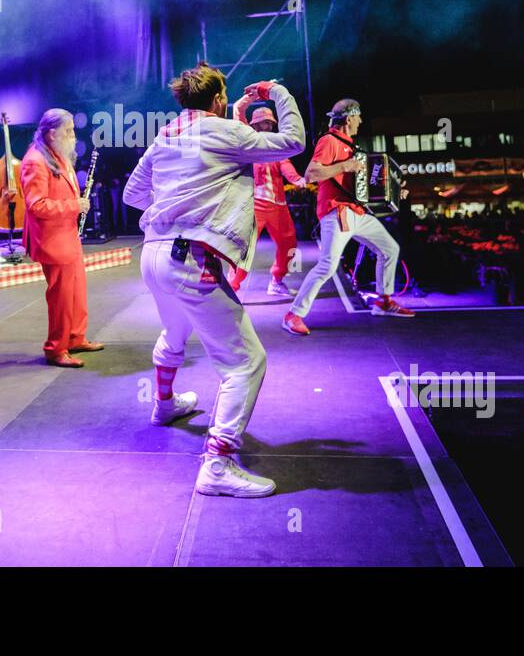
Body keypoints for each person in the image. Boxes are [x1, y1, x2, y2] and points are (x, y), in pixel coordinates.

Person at [124, 64, 304, 498]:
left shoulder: (165, 134)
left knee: (176, 329)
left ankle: (164, 405)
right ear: (219, 99)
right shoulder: (227, 132)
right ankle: (217, 464)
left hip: (152, 255)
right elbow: (293, 141)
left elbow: (132, 194)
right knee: (246, 363)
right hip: (189, 259)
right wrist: (276, 90)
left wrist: (174, 203)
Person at [283, 98, 413, 336]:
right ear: (349, 117)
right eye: (359, 116)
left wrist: (395, 192)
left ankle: (383, 302)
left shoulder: (350, 146)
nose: (361, 121)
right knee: (327, 266)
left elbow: (364, 188)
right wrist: (344, 166)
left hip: (356, 211)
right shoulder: (329, 141)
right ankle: (293, 314)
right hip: (337, 212)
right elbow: (311, 173)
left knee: (390, 249)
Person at [20, 109, 103, 367]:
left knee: (77, 290)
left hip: (66, 235)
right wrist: (74, 206)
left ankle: (76, 337)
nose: (72, 135)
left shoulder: (59, 154)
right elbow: (37, 205)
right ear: (52, 133)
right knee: (61, 296)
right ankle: (56, 349)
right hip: (52, 239)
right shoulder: (36, 160)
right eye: (68, 131)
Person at [226, 98, 306, 297]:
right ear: (255, 124)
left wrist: (297, 179)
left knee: (289, 245)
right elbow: (238, 111)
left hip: (278, 205)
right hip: (255, 205)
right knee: (245, 248)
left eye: (270, 122)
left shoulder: (276, 143)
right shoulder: (248, 140)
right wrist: (251, 96)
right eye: (264, 122)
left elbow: (285, 163)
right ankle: (232, 288)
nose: (268, 125)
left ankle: (277, 280)